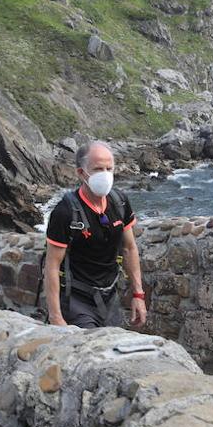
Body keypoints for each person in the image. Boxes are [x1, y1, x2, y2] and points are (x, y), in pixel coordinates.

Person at [44, 140, 147, 329]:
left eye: (109, 168)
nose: (106, 175)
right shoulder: (65, 212)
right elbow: (51, 265)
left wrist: (138, 295)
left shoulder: (119, 202)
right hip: (77, 300)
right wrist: (56, 317)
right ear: (81, 173)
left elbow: (129, 248)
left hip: (110, 298)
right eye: (99, 169)